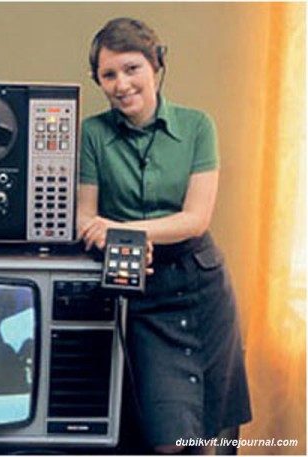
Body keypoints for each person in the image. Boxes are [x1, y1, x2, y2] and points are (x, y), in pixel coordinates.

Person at [78, 17, 252, 454]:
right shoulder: (93, 134)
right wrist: (111, 235)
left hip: (202, 286)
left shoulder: (198, 127)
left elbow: (195, 219)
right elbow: (85, 220)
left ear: (156, 65)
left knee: (210, 432)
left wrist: (120, 230)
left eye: (131, 68)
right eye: (109, 75)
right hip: (143, 292)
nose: (122, 84)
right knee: (163, 436)